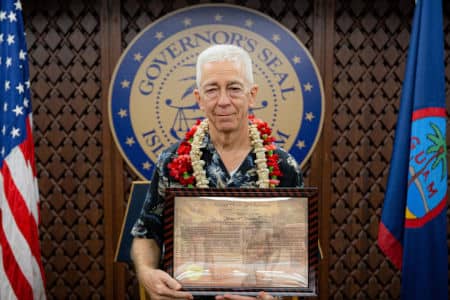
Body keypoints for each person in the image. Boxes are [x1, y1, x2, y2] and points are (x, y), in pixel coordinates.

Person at [130, 44, 303, 300]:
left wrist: (274, 297)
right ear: (199, 98)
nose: (223, 101)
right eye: (212, 89)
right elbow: (146, 234)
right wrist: (146, 272)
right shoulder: (172, 161)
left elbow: (294, 253)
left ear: (252, 95)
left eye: (234, 88)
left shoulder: (283, 165)